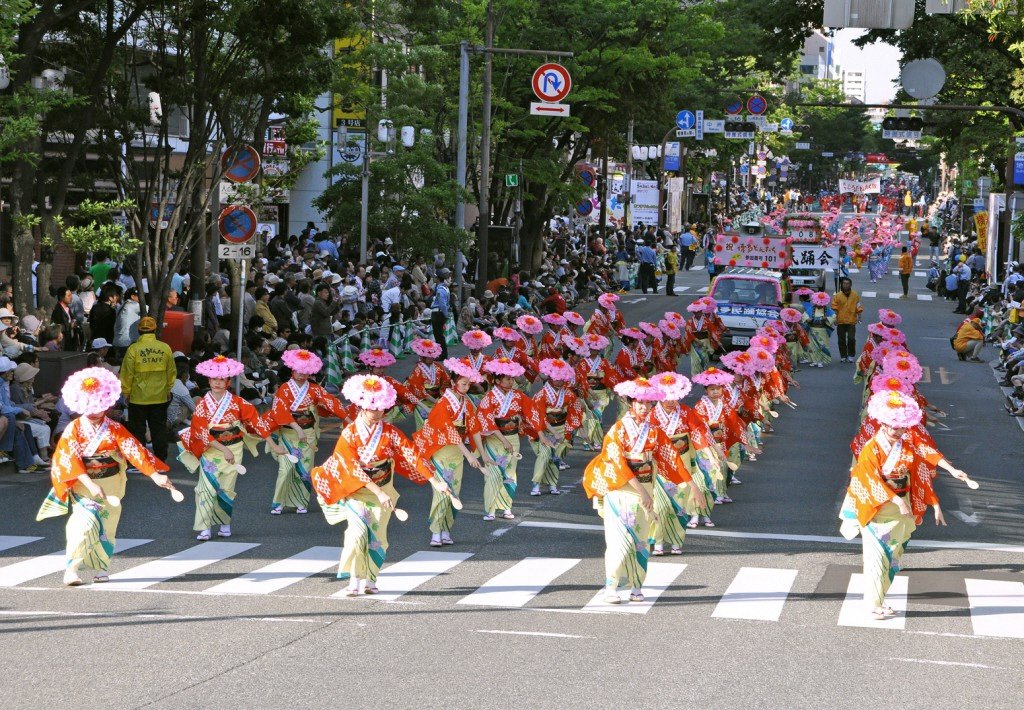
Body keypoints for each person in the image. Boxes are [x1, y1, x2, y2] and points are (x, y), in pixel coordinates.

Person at [310, 375, 454, 596]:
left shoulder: (389, 432)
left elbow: (411, 454)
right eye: (373, 409)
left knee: (377, 537)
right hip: (357, 490)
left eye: (381, 409)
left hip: (384, 487)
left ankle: (371, 578)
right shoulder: (349, 434)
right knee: (357, 534)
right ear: (361, 407)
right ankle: (355, 578)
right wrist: (377, 491)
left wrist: (436, 481)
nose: (378, 413)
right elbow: (350, 467)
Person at [839, 390, 974, 621]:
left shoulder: (906, 444)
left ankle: (879, 599)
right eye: (893, 427)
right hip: (876, 507)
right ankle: (873, 604)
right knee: (876, 557)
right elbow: (868, 479)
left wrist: (951, 470)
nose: (898, 431)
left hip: (902, 508)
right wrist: (896, 499)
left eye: (902, 427)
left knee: (892, 555)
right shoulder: (872, 448)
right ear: (882, 424)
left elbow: (926, 453)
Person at [35, 367, 174, 586]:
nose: (95, 411)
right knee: (83, 524)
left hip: (110, 484)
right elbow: (68, 459)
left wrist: (155, 475)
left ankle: (102, 566)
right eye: (90, 406)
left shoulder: (116, 429)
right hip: (83, 483)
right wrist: (89, 483)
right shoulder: (73, 429)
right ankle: (71, 569)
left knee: (107, 526)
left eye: (100, 406)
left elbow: (134, 451)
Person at [582, 377, 690, 604]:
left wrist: (692, 486)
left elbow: (672, 458)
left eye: (648, 403)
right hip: (621, 490)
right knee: (618, 541)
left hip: (645, 488)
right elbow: (617, 463)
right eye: (639, 402)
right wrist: (642, 492)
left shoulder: (654, 432)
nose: (644, 407)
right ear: (631, 403)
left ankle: (636, 586)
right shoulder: (618, 429)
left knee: (640, 541)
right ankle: (611, 587)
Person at [177, 356, 280, 541]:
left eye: (221, 379)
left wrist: (273, 444)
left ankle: (225, 523)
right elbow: (200, 431)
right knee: (206, 487)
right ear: (209, 380)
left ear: (228, 382)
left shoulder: (238, 402)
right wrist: (223, 449)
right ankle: (205, 526)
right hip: (211, 449)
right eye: (214, 379)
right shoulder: (202, 404)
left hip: (235, 447)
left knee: (227, 488)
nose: (217, 383)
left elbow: (257, 422)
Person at [264, 349, 351, 515]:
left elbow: (331, 403)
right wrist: (296, 427)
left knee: (304, 468)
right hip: (289, 433)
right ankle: (279, 501)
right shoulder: (284, 388)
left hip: (308, 433)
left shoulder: (314, 389)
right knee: (286, 468)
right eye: (298, 371)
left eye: (305, 372)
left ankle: (301, 501)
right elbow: (279, 411)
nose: (301, 375)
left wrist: (347, 419)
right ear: (292, 370)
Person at [414, 357, 484, 547]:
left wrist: (483, 455)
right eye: (463, 383)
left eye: (469, 384)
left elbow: (474, 427)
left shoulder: (466, 403)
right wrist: (469, 454)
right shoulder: (443, 404)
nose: (466, 387)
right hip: (441, 450)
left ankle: (446, 528)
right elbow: (450, 432)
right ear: (453, 383)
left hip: (456, 452)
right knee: (443, 490)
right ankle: (436, 531)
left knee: (455, 491)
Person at [477, 358, 534, 521]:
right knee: (494, 473)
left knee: (510, 472)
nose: (511, 382)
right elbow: (486, 421)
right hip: (495, 439)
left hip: (513, 437)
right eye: (507, 379)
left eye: (512, 378)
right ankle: (491, 508)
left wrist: (539, 430)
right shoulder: (488, 398)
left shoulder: (518, 396)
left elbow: (531, 412)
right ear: (496, 380)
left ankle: (507, 506)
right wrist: (504, 440)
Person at [119, 316, 175, 462]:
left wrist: (126, 393)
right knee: (159, 430)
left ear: (139, 331)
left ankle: (140, 461)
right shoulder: (165, 348)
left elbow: (127, 374)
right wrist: (167, 389)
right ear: (155, 330)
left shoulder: (133, 349)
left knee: (138, 430)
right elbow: (171, 372)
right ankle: (160, 460)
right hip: (160, 397)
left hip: (138, 398)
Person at [832, 278, 863, 363]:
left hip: (851, 320)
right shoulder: (837, 295)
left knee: (851, 338)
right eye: (844, 283)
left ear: (850, 285)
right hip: (840, 320)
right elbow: (834, 308)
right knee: (841, 339)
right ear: (841, 285)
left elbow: (858, 306)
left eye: (847, 283)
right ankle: (843, 355)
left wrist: (859, 316)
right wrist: (834, 318)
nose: (846, 285)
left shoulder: (855, 295)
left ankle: (851, 355)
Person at [431, 268, 453, 359]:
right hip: (440, 313)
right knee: (440, 335)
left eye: (435, 277)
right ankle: (442, 354)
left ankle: (442, 355)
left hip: (438, 313)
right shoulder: (445, 287)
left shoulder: (440, 289)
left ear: (438, 278)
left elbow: (442, 304)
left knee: (438, 335)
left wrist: (445, 315)